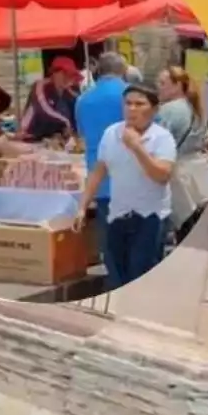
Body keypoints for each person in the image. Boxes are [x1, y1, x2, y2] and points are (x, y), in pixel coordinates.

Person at [74, 83, 176, 291]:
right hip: (118, 213)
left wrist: (137, 147)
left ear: (153, 109)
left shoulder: (162, 138)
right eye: (128, 104)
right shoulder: (111, 133)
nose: (132, 109)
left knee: (140, 271)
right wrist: (82, 206)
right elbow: (98, 171)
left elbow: (162, 175)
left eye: (140, 104)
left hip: (151, 216)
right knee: (117, 273)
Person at [75, 52, 129, 276]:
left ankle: (115, 280)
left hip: (100, 178)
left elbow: (82, 135)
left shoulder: (83, 99)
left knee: (109, 238)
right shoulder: (132, 96)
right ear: (122, 70)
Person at [19, 56, 79, 142]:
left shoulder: (70, 92)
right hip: (31, 136)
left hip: (54, 140)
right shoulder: (40, 86)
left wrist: (72, 131)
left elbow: (77, 111)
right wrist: (65, 121)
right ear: (54, 73)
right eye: (65, 73)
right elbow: (43, 109)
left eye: (71, 75)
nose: (68, 78)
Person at [156, 66, 208, 158]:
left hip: (174, 165)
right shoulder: (194, 107)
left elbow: (156, 142)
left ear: (177, 86)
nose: (158, 87)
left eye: (162, 83)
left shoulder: (168, 110)